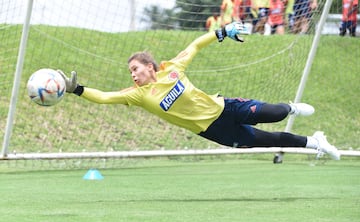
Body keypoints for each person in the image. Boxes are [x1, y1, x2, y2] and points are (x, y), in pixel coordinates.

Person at [58, 22, 340, 160]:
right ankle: (316, 143)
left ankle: (291, 107)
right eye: (130, 72)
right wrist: (77, 89)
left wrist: (223, 32)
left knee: (276, 113)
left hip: (225, 107)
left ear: (149, 66)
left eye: (135, 68)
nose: (132, 74)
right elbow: (105, 97)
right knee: (267, 140)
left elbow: (194, 46)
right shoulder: (138, 96)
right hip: (214, 130)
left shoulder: (172, 69)